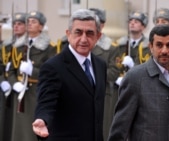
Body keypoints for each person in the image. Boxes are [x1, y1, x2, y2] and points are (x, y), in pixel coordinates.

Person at [108, 24, 169, 141]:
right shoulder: (135, 77)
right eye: (159, 45)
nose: (164, 50)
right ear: (151, 47)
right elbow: (120, 128)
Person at [32, 9, 107, 141]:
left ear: (98, 37)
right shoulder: (53, 67)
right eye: (78, 32)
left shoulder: (100, 65)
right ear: (68, 34)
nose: (83, 39)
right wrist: (42, 119)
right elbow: (46, 101)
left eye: (89, 33)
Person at [6, 10, 56, 141]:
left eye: (34, 22)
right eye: (28, 21)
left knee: (32, 129)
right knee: (19, 130)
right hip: (20, 94)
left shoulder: (49, 47)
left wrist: (32, 71)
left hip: (36, 92)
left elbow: (51, 74)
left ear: (41, 26)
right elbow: (11, 70)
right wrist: (14, 83)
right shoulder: (18, 46)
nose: (29, 24)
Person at [89, 7, 120, 141]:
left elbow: (113, 72)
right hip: (81, 92)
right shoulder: (80, 44)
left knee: (101, 131)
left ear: (102, 25)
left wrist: (90, 74)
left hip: (102, 93)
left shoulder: (111, 47)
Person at [0, 12, 27, 141]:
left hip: (20, 87)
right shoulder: (6, 45)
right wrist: (2, 81)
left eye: (20, 24)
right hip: (5, 86)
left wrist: (14, 82)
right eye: (14, 24)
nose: (16, 27)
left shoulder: (27, 46)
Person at [114, 11, 150, 86]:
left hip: (140, 85)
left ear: (143, 27)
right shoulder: (120, 44)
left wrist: (133, 65)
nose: (132, 23)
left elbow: (148, 68)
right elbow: (114, 64)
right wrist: (116, 78)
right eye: (130, 21)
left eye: (136, 22)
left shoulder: (148, 46)